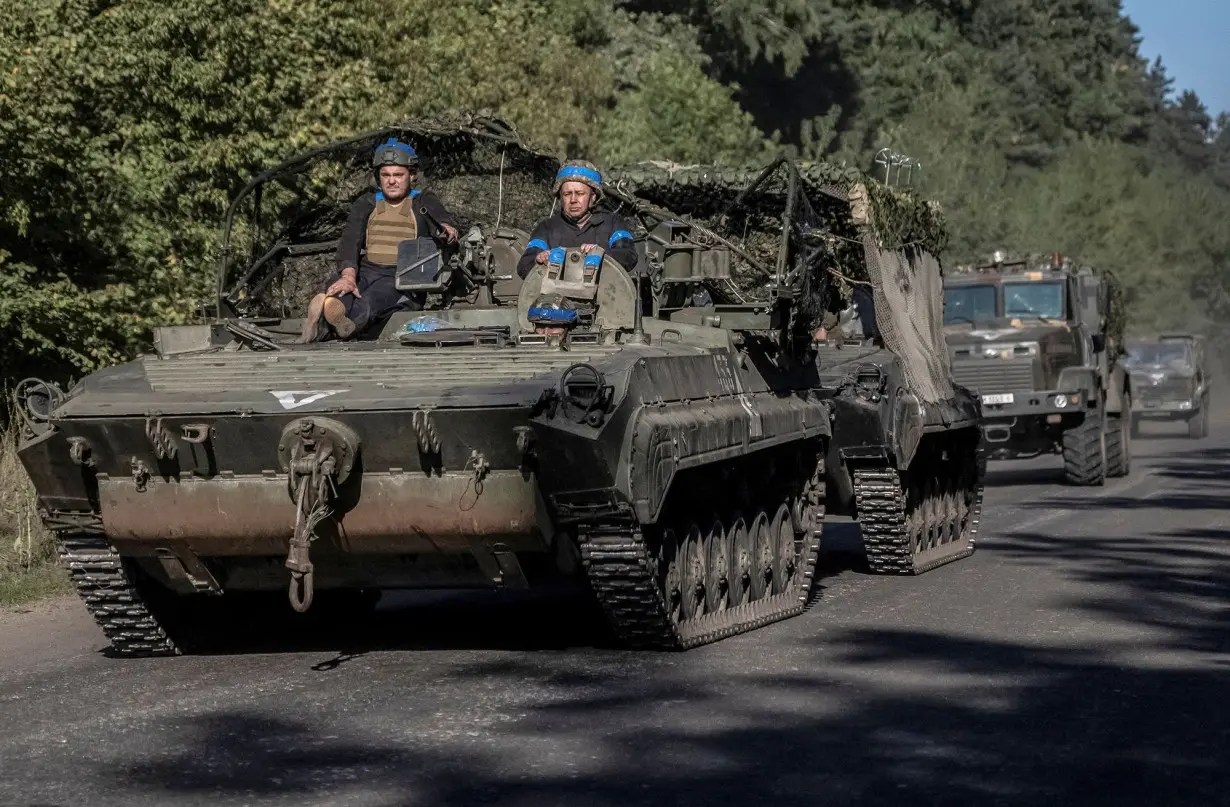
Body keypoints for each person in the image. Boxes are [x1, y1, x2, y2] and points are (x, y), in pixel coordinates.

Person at [297, 137, 460, 343]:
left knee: (370, 302)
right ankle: (332, 312)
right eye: (386, 175)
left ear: (412, 175)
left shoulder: (423, 201)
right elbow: (350, 242)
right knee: (342, 291)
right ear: (378, 177)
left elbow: (444, 222)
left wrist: (448, 231)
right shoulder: (366, 203)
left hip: (401, 279)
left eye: (398, 175)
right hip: (367, 270)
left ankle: (329, 317)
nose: (391, 181)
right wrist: (348, 277)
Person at [515, 160, 638, 280]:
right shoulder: (547, 228)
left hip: (605, 297)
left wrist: (601, 254)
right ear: (560, 197)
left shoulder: (612, 222)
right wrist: (538, 259)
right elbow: (524, 266)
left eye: (579, 193)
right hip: (555, 298)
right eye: (567, 194)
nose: (573, 200)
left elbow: (629, 256)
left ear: (593, 196)